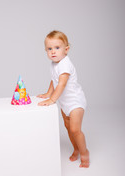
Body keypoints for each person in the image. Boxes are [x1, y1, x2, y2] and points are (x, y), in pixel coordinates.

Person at [37, 30, 89, 168]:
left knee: (75, 129)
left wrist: (52, 100)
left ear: (66, 50)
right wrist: (48, 94)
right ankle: (76, 148)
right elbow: (54, 80)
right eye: (49, 49)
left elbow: (62, 83)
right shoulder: (54, 64)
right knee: (68, 128)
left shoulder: (65, 64)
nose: (53, 52)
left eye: (57, 48)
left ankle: (84, 153)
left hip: (75, 102)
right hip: (64, 102)